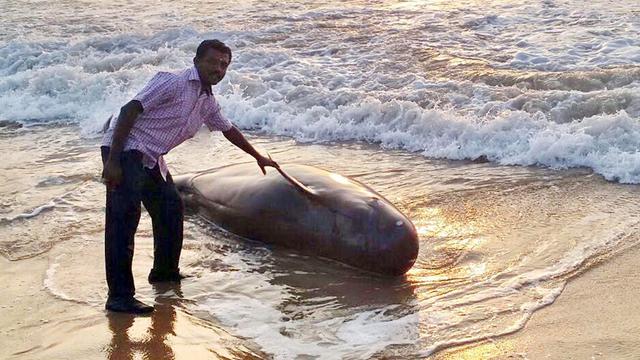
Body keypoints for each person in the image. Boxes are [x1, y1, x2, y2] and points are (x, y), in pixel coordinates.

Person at [100, 39, 279, 314]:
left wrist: (257, 156)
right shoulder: (172, 82)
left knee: (171, 209)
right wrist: (113, 160)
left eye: (224, 65)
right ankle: (119, 297)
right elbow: (129, 110)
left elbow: (228, 129)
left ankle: (164, 273)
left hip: (151, 158)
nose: (218, 69)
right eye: (213, 61)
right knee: (123, 221)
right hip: (126, 150)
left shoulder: (207, 101)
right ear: (197, 60)